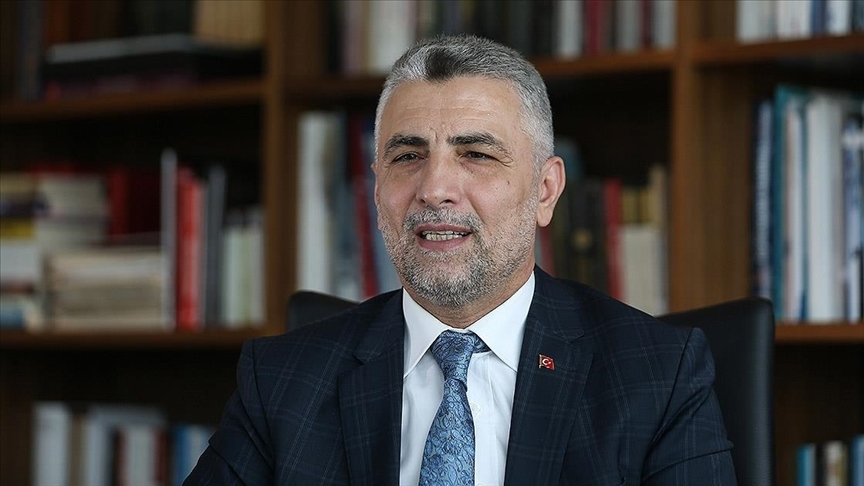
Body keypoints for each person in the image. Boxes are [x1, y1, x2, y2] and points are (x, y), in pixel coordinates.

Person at [185, 34, 736, 486]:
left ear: (545, 191)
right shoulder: (280, 381)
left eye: (476, 154)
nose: (435, 188)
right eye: (408, 156)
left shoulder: (658, 377)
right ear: (376, 190)